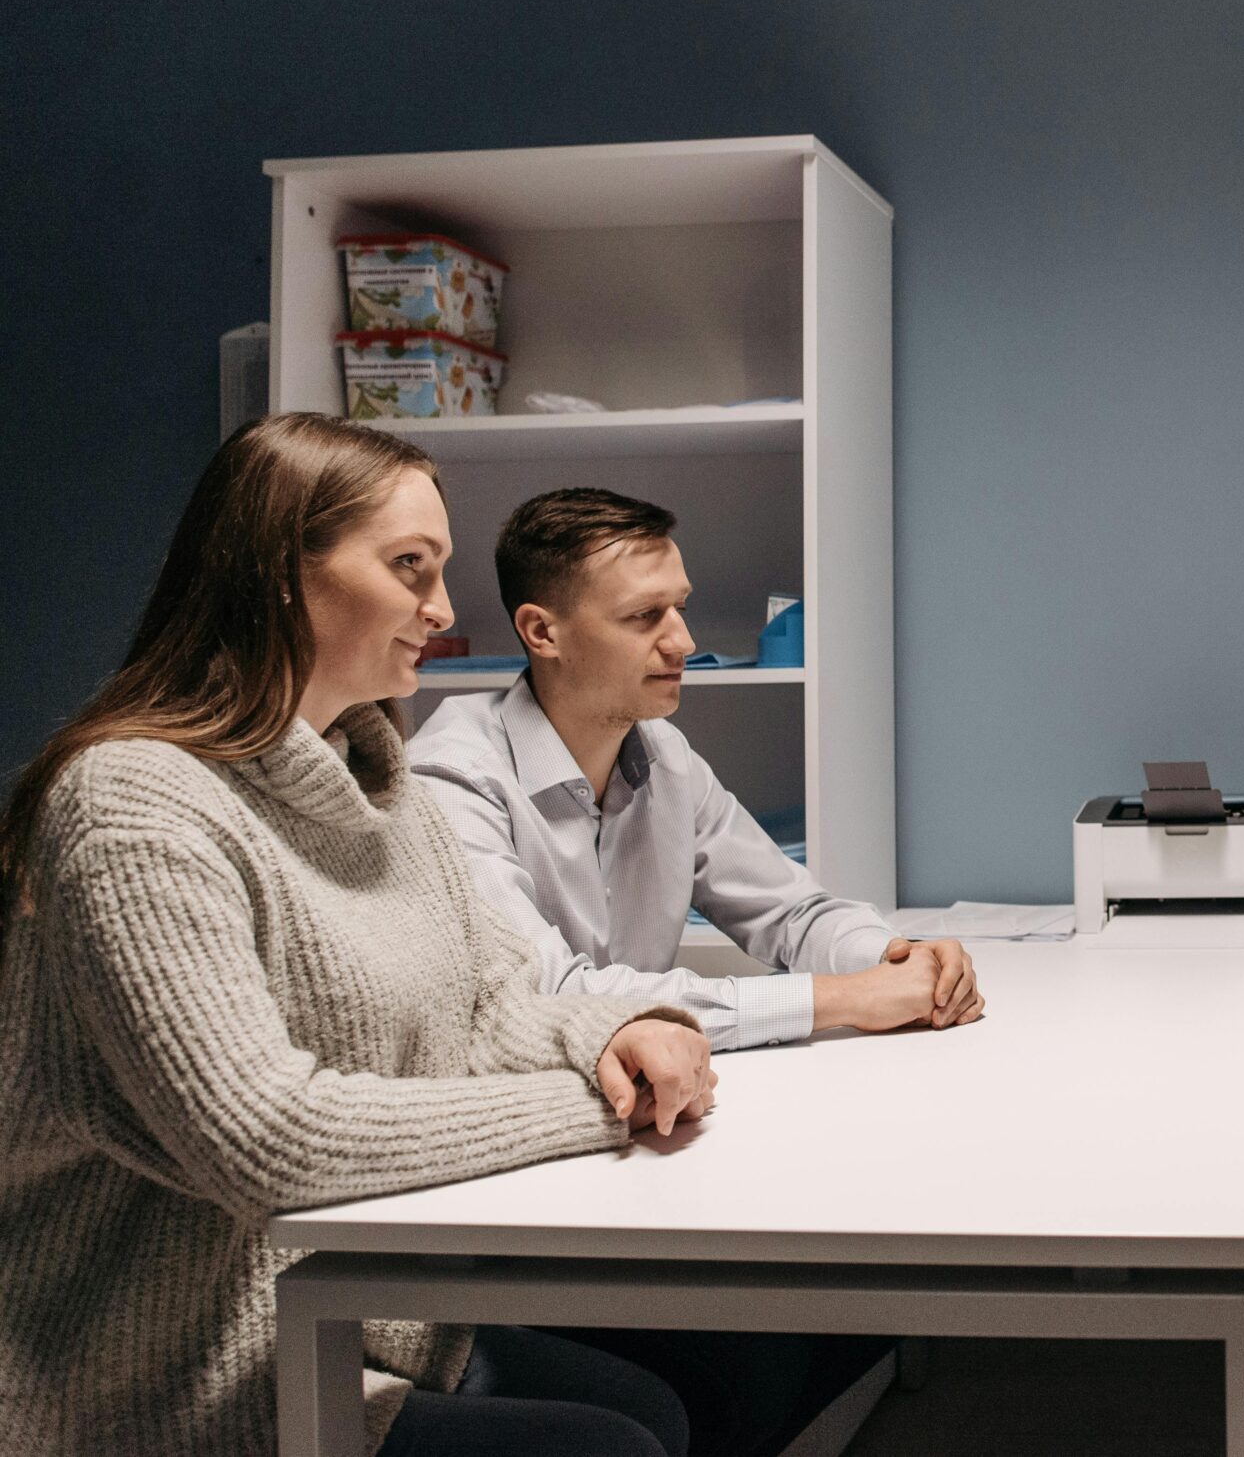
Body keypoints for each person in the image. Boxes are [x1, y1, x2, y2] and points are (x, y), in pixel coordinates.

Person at [0, 413, 716, 1457]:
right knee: (617, 1444)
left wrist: (616, 1032)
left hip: (342, 1309)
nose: (443, 608)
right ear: (280, 574)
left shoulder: (383, 781)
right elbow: (267, 1140)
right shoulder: (134, 804)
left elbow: (489, 1004)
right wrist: (597, 1103)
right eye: (410, 567)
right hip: (148, 1375)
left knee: (665, 1404)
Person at [406, 486, 982, 1456]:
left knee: (864, 1311)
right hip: (518, 1189)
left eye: (677, 606)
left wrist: (890, 954)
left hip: (645, 1142)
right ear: (540, 630)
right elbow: (556, 999)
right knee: (766, 1351)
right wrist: (840, 1000)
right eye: (644, 617)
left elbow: (790, 908)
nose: (681, 639)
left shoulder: (661, 756)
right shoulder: (453, 771)